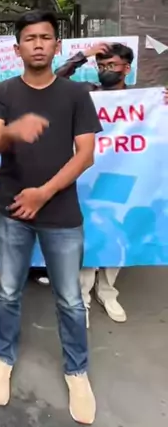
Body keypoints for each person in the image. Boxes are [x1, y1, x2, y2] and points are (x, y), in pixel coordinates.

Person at [0, 10, 102, 425]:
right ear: (17, 48)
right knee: (8, 291)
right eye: (30, 38)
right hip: (11, 210)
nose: (38, 44)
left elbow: (85, 154)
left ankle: (77, 371)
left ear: (57, 45)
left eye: (45, 37)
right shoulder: (1, 91)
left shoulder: (75, 94)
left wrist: (44, 193)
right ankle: (3, 358)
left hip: (62, 212)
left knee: (70, 298)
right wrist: (13, 131)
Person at [56, 41, 133, 325]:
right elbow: (56, 80)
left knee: (118, 229)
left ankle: (107, 291)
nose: (105, 70)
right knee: (91, 232)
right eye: (101, 66)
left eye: (111, 65)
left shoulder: (141, 97)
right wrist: (83, 56)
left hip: (123, 173)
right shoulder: (87, 92)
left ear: (126, 68)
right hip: (88, 174)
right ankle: (83, 295)